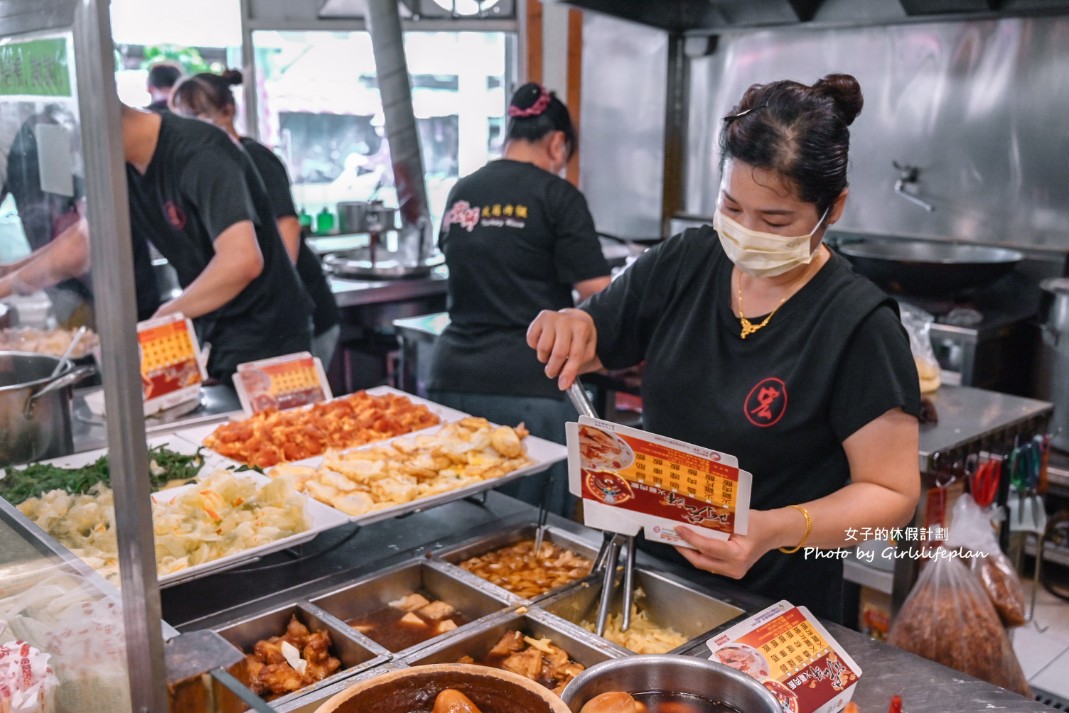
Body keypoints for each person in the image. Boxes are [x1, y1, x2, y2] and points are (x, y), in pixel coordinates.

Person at [526, 74, 921, 622]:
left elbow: (891, 493)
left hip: (778, 603)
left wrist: (773, 529)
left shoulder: (857, 323)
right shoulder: (687, 260)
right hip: (652, 584)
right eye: (732, 208)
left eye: (776, 221)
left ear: (834, 209)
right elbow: (594, 339)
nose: (746, 231)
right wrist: (571, 326)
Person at [428, 82, 612, 517]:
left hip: (451, 379)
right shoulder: (558, 197)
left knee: (455, 522)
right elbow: (601, 296)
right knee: (533, 537)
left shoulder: (463, 190)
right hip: (531, 386)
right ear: (558, 142)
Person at [123, 104, 314, 381]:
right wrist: (35, 276)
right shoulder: (125, 171)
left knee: (282, 425)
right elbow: (83, 240)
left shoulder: (200, 150)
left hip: (269, 335)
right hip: (216, 332)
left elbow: (243, 260)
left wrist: (164, 317)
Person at [168, 69, 341, 367]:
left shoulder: (253, 158)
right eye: (183, 119)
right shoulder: (205, 167)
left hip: (300, 317)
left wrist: (267, 291)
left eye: (199, 116)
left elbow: (287, 227)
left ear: (228, 111)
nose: (192, 130)